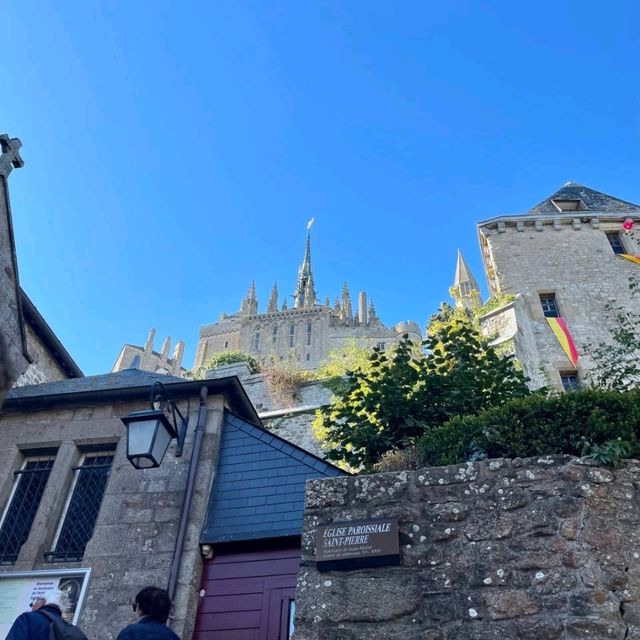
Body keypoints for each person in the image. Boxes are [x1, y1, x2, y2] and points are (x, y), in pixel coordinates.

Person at [116, 587, 181, 640]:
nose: (134, 612)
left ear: (140, 609)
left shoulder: (131, 632)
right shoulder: (173, 637)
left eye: (135, 607)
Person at [5, 590, 70, 640]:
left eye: (35, 601)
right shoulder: (69, 629)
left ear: (43, 602)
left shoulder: (27, 618)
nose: (32, 606)